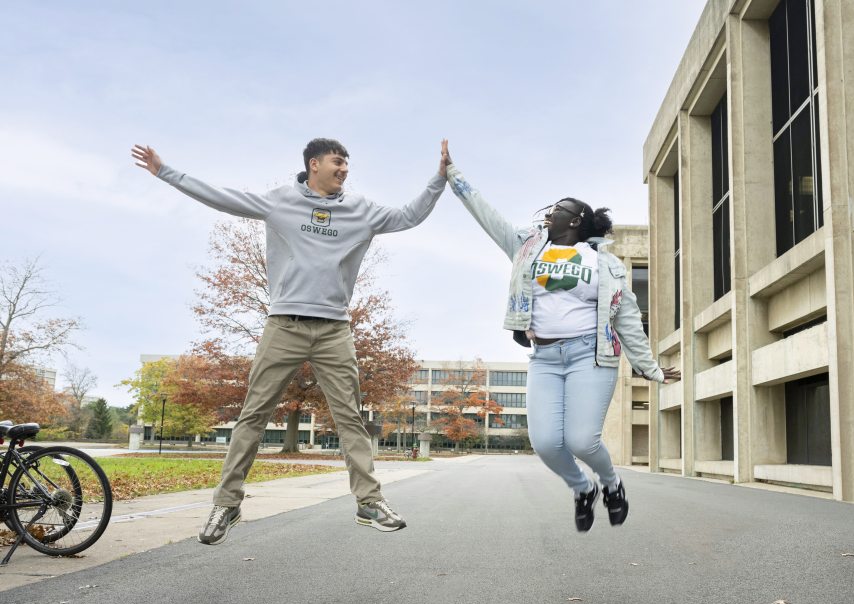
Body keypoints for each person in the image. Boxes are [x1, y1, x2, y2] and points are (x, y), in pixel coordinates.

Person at [131, 138, 447, 543]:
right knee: (253, 414)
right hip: (284, 325)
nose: (345, 169)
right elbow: (222, 198)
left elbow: (409, 215)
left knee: (350, 416)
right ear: (314, 164)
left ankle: (369, 502)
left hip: (334, 329)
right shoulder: (280, 201)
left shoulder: (361, 211)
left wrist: (438, 179)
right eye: (338, 162)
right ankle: (227, 505)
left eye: (348, 163)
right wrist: (165, 171)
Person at [441, 141, 680, 532]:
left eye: (558, 210)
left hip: (591, 355)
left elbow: (628, 319)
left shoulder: (604, 264)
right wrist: (454, 175)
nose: (549, 214)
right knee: (547, 444)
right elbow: (488, 217)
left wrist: (649, 368)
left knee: (583, 441)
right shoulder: (528, 247)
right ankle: (582, 487)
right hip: (545, 358)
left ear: (576, 220)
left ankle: (612, 484)